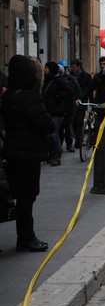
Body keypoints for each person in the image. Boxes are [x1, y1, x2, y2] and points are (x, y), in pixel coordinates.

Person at [1, 55, 55, 251]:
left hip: (12, 151)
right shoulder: (29, 97)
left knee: (14, 193)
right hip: (28, 154)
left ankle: (24, 236)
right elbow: (47, 125)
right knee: (27, 197)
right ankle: (26, 237)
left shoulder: (9, 95)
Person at [42, 61, 74, 166]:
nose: (44, 69)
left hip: (57, 112)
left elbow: (69, 92)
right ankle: (52, 155)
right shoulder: (47, 80)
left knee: (53, 133)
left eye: (46, 68)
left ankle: (56, 154)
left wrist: (58, 96)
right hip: (48, 110)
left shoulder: (59, 80)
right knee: (49, 134)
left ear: (51, 69)